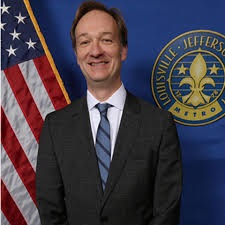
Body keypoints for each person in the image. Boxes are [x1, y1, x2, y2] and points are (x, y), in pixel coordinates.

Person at [36, 1, 182, 225]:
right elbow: (51, 213)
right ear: (76, 54)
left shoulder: (159, 125)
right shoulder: (55, 127)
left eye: (106, 40)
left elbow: (166, 214)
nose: (95, 51)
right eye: (85, 42)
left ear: (123, 49)